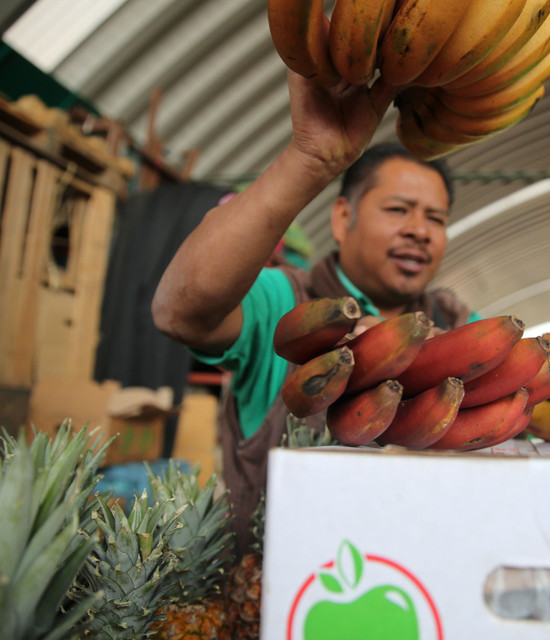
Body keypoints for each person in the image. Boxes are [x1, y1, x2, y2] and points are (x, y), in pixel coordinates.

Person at [152, 71, 480, 553]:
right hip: (282, 591)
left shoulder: (457, 325)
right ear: (343, 218)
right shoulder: (287, 300)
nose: (419, 230)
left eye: (436, 218)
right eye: (398, 210)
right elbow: (179, 313)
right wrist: (309, 159)